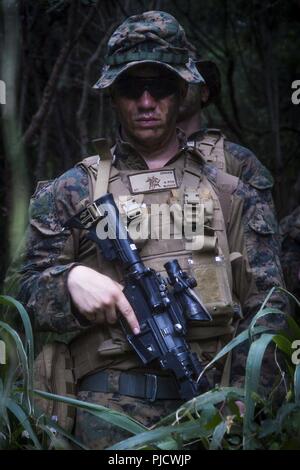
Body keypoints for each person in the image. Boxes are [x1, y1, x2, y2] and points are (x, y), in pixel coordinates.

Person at [18, 11, 287, 449]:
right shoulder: (74, 190)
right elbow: (17, 296)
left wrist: (245, 405)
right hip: (102, 422)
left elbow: (268, 309)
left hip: (211, 414)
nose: (146, 102)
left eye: (159, 87)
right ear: (112, 95)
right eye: (130, 88)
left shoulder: (231, 191)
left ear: (183, 91)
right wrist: (66, 281)